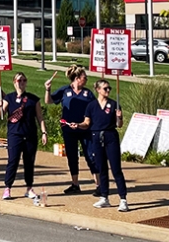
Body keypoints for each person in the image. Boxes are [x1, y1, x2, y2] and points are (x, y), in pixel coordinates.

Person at [45, 64, 97, 195]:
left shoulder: (88, 93)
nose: (86, 79)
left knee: (91, 156)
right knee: (72, 157)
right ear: (77, 78)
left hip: (86, 129)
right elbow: (49, 101)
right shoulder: (65, 91)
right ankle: (75, 184)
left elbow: (95, 108)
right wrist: (48, 90)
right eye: (85, 77)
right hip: (69, 129)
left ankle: (99, 185)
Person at [0, 72, 46, 201]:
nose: (22, 83)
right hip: (15, 134)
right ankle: (7, 187)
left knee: (29, 162)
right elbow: (1, 114)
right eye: (19, 80)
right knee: (13, 161)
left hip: (30, 134)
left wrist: (43, 132)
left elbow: (40, 117)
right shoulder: (9, 98)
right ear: (14, 82)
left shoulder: (33, 99)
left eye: (24, 80)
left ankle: (29, 188)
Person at [84, 80, 129, 212]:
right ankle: (104, 197)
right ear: (98, 90)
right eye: (105, 88)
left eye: (109, 88)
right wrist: (78, 125)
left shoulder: (114, 104)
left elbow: (119, 125)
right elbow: (87, 122)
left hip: (110, 137)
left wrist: (119, 118)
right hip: (96, 137)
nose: (108, 91)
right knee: (101, 168)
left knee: (116, 169)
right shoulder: (91, 106)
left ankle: (123, 199)